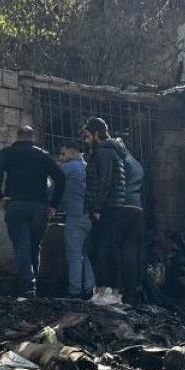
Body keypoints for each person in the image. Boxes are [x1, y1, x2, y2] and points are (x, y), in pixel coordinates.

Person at [0, 126, 65, 297]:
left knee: (22, 245)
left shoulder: (8, 153)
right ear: (33, 138)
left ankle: (28, 285)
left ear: (17, 136)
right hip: (39, 207)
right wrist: (54, 204)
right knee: (34, 246)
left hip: (16, 204)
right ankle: (33, 283)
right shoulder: (42, 155)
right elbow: (60, 178)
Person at [82, 117, 126, 306]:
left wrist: (97, 207)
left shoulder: (104, 152)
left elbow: (105, 182)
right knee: (96, 248)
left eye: (87, 136)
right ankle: (103, 289)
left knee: (104, 248)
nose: (86, 141)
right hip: (106, 206)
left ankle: (112, 291)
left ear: (96, 134)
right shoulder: (104, 151)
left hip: (107, 208)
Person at [58, 142, 94, 299]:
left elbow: (53, 187)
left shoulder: (67, 168)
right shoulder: (88, 167)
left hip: (75, 215)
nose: (60, 157)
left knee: (74, 255)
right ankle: (90, 287)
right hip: (90, 215)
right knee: (87, 254)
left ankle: (74, 290)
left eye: (63, 153)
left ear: (72, 153)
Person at [112, 138, 145, 303]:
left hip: (121, 206)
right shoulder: (136, 164)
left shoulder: (119, 162)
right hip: (137, 208)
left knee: (113, 248)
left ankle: (116, 290)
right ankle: (131, 293)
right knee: (130, 251)